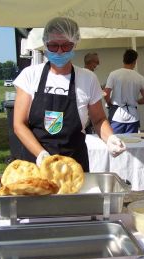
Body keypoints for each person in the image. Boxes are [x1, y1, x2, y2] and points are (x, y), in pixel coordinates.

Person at [13, 17, 126, 171]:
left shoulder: (87, 78)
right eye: (53, 46)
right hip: (36, 163)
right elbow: (19, 124)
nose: (59, 51)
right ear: (45, 44)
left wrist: (110, 138)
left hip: (73, 164)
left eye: (66, 46)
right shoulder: (30, 75)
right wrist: (41, 155)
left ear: (75, 44)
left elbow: (98, 119)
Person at [104, 49, 144, 134]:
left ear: (123, 59)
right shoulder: (140, 78)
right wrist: (135, 101)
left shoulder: (114, 74)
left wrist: (110, 103)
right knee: (132, 144)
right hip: (133, 116)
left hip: (116, 115)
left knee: (115, 144)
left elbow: (106, 94)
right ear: (135, 61)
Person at [83, 52, 100, 134]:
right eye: (97, 62)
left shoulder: (83, 74)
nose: (98, 65)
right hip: (88, 114)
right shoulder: (89, 75)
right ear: (90, 62)